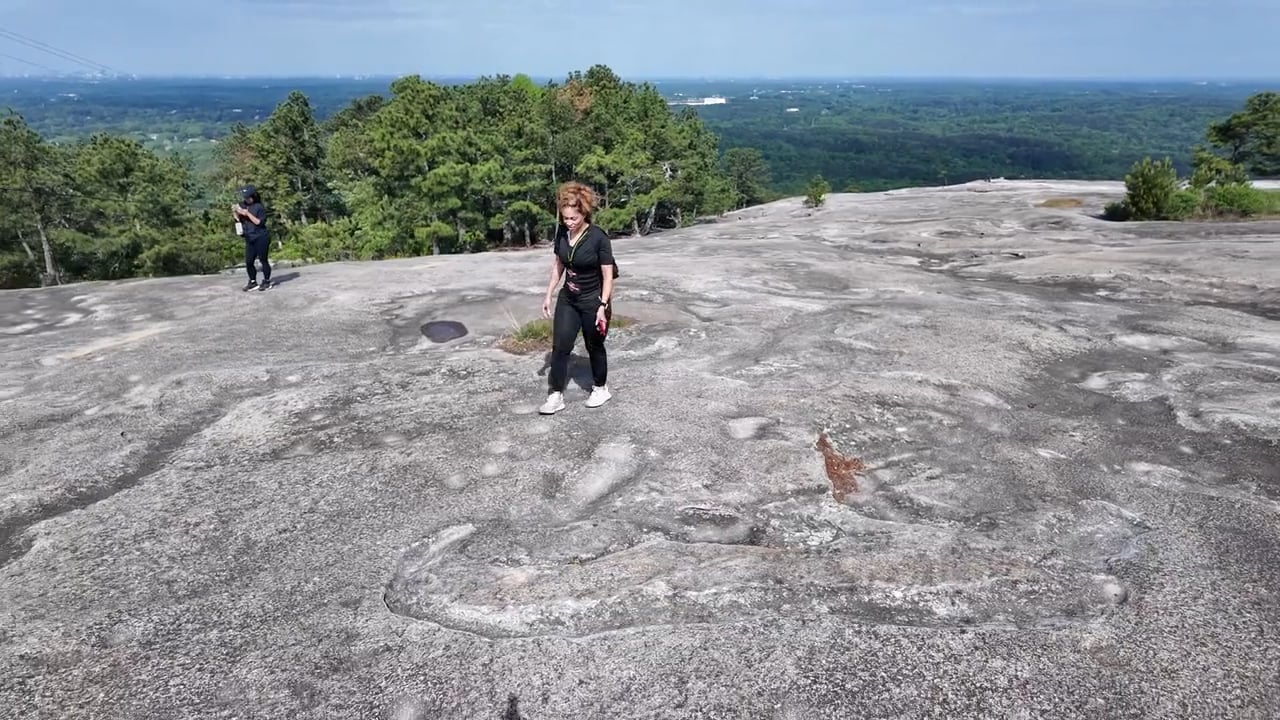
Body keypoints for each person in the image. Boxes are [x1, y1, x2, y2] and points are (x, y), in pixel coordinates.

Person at [539, 181, 618, 415]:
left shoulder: (598, 238)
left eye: (573, 219)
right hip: (569, 298)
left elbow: (608, 274)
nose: (568, 223)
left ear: (584, 214)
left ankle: (601, 388)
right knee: (561, 345)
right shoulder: (562, 233)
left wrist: (603, 305)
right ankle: (555, 394)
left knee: (594, 345)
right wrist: (549, 294)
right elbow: (558, 265)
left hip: (594, 299)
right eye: (565, 218)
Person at [232, 185, 272, 292]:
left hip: (261, 237)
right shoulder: (242, 205)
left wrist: (247, 213)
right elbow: (238, 220)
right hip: (249, 237)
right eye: (245, 198)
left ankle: (267, 281)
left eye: (248, 197)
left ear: (253, 196)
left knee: (263, 260)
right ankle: (253, 281)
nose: (246, 199)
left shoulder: (259, 207)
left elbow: (259, 222)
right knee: (249, 262)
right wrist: (235, 212)